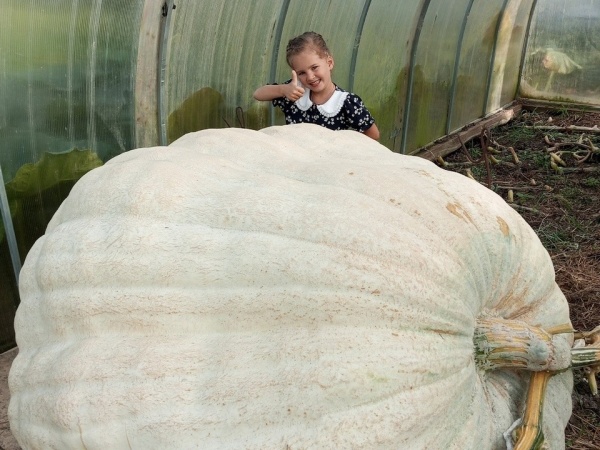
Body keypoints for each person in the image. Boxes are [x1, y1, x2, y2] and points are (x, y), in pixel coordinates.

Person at [253, 31, 380, 141]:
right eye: (301, 73)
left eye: (314, 68)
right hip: (295, 162)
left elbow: (373, 134)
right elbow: (258, 94)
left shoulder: (346, 102)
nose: (310, 77)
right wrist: (283, 90)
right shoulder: (295, 92)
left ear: (329, 63)